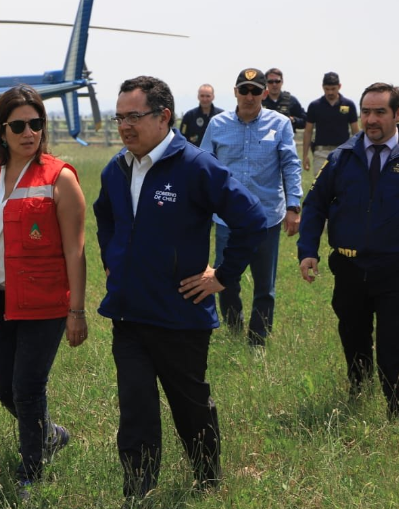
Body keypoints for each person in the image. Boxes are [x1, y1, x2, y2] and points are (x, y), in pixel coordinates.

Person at [94, 75, 266, 506]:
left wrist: (222, 277)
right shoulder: (116, 169)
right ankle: (138, 492)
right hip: (128, 314)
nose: (125, 126)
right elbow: (106, 219)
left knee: (190, 407)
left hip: (181, 317)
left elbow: (251, 219)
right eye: (120, 117)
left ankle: (209, 481)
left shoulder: (195, 167)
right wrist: (114, 260)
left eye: (134, 116)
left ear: (163, 116)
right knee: (136, 411)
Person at [0, 85, 87, 500]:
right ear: (1, 130)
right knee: (5, 391)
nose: (30, 133)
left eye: (37, 124)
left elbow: (76, 252)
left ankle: (31, 474)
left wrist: (75, 311)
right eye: (20, 125)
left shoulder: (60, 178)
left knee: (27, 389)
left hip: (44, 303)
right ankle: (51, 434)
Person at [298, 83, 399, 425]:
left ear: (398, 114)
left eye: (380, 112)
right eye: (366, 112)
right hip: (349, 265)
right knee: (353, 334)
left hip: (396, 267)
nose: (371, 120)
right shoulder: (342, 157)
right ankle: (359, 388)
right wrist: (307, 250)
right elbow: (314, 205)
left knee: (395, 344)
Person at [200, 68, 302, 347]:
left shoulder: (279, 124)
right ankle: (234, 330)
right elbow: (204, 167)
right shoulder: (217, 125)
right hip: (226, 219)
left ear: (265, 93)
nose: (249, 96)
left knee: (264, 286)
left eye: (255, 91)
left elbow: (290, 165)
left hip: (267, 216)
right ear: (234, 92)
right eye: (243, 90)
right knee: (225, 279)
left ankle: (258, 340)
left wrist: (294, 205)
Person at [303, 71, 360, 175]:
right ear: (322, 87)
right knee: (320, 188)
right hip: (320, 153)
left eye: (333, 89)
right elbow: (308, 131)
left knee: (343, 187)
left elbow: (355, 131)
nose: (330, 92)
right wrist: (305, 156)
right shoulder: (315, 106)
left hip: (343, 152)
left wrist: (358, 153)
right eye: (327, 89)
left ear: (339, 86)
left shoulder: (349, 105)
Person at [262, 67, 307, 131]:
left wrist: (293, 120)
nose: (274, 84)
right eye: (270, 82)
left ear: (282, 82)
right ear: (266, 83)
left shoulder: (291, 100)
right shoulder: (260, 101)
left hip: (285, 138)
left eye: (277, 81)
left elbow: (305, 121)